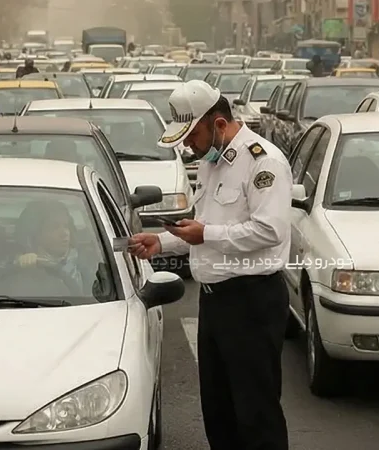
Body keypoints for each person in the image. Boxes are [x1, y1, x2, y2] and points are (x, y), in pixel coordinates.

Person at [128, 80, 292, 450]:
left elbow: (270, 231)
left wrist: (206, 235)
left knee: (256, 415)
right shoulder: (210, 161)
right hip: (215, 302)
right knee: (219, 414)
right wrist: (163, 241)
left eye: (193, 135)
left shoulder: (263, 161)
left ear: (219, 124)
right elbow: (202, 225)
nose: (188, 145)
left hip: (252, 302)